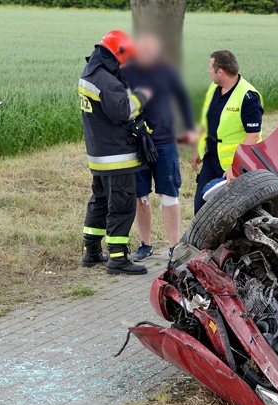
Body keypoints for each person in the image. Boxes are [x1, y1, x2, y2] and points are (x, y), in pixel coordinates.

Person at [78, 30, 153, 275]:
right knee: (121, 206)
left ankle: (91, 252)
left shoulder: (90, 73)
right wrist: (143, 95)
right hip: (117, 156)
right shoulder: (107, 80)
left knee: (99, 202)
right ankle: (118, 259)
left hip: (99, 155)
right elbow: (122, 111)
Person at [122, 34, 196, 262]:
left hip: (165, 142)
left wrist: (189, 128)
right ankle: (145, 244)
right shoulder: (125, 72)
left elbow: (182, 99)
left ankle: (174, 246)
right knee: (139, 196)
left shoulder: (167, 71)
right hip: (137, 143)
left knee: (169, 193)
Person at [191, 50, 263, 214]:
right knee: (201, 210)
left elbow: (253, 135)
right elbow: (205, 120)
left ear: (220, 71)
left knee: (230, 214)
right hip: (211, 160)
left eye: (211, 67)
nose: (209, 71)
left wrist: (236, 165)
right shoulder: (214, 88)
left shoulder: (248, 96)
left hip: (233, 168)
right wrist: (198, 147)